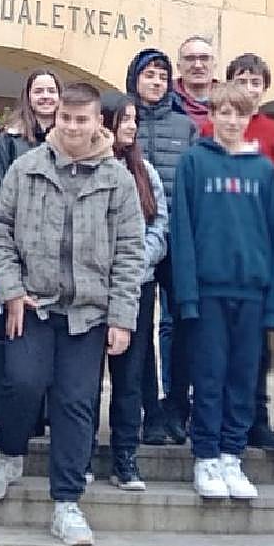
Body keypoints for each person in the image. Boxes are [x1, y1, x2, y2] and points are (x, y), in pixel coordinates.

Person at [0, 82, 144, 546]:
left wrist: (122, 316)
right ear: (56, 120)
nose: (73, 127)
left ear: (98, 123)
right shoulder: (25, 168)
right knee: (24, 383)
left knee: (77, 402)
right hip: (32, 305)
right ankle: (10, 453)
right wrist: (10, 292)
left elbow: (131, 252)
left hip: (89, 313)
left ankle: (67, 503)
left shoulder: (118, 180)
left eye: (82, 120)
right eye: (66, 119)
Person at [171, 83, 274, 500]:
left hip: (252, 293)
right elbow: (181, 231)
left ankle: (232, 456)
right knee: (209, 376)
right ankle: (205, 457)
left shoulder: (264, 171)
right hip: (207, 293)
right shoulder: (193, 163)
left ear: (248, 117)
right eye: (224, 113)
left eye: (239, 114)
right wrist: (187, 294)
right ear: (212, 116)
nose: (232, 121)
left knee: (242, 377)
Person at [199, 52, 274, 453]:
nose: (249, 88)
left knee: (251, 358)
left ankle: (254, 421)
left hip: (254, 259)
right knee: (211, 358)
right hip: (215, 263)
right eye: (242, 79)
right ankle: (208, 432)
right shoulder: (208, 131)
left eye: (256, 82)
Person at [90, 91, 168, 491]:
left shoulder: (144, 171)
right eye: (124, 119)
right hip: (90, 287)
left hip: (136, 286)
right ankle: (82, 452)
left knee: (129, 377)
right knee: (85, 379)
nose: (131, 127)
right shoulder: (86, 168)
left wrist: (136, 262)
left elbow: (159, 224)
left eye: (135, 120)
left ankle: (125, 456)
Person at [126, 48, 196, 447]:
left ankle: (177, 407)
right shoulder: (125, 121)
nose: (155, 82)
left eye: (162, 75)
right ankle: (150, 411)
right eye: (148, 74)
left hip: (178, 241)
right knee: (140, 332)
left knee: (184, 324)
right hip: (137, 245)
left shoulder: (184, 127)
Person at [0, 69, 61, 198]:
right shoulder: (10, 137)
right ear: (28, 96)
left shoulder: (70, 137)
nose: (45, 96)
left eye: (51, 91)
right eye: (38, 91)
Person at [173, 36, 217, 124]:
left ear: (214, 65)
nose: (198, 65)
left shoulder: (230, 100)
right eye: (190, 59)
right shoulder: (165, 99)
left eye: (204, 58)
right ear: (178, 66)